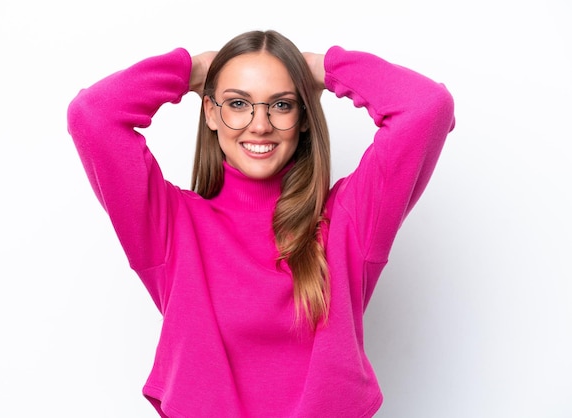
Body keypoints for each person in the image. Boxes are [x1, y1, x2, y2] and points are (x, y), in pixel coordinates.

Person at [67, 29, 455, 418]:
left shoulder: (348, 221)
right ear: (211, 112)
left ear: (304, 117)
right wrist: (195, 67)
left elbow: (427, 107)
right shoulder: (171, 226)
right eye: (238, 103)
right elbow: (93, 116)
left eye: (281, 105)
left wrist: (322, 69)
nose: (259, 125)